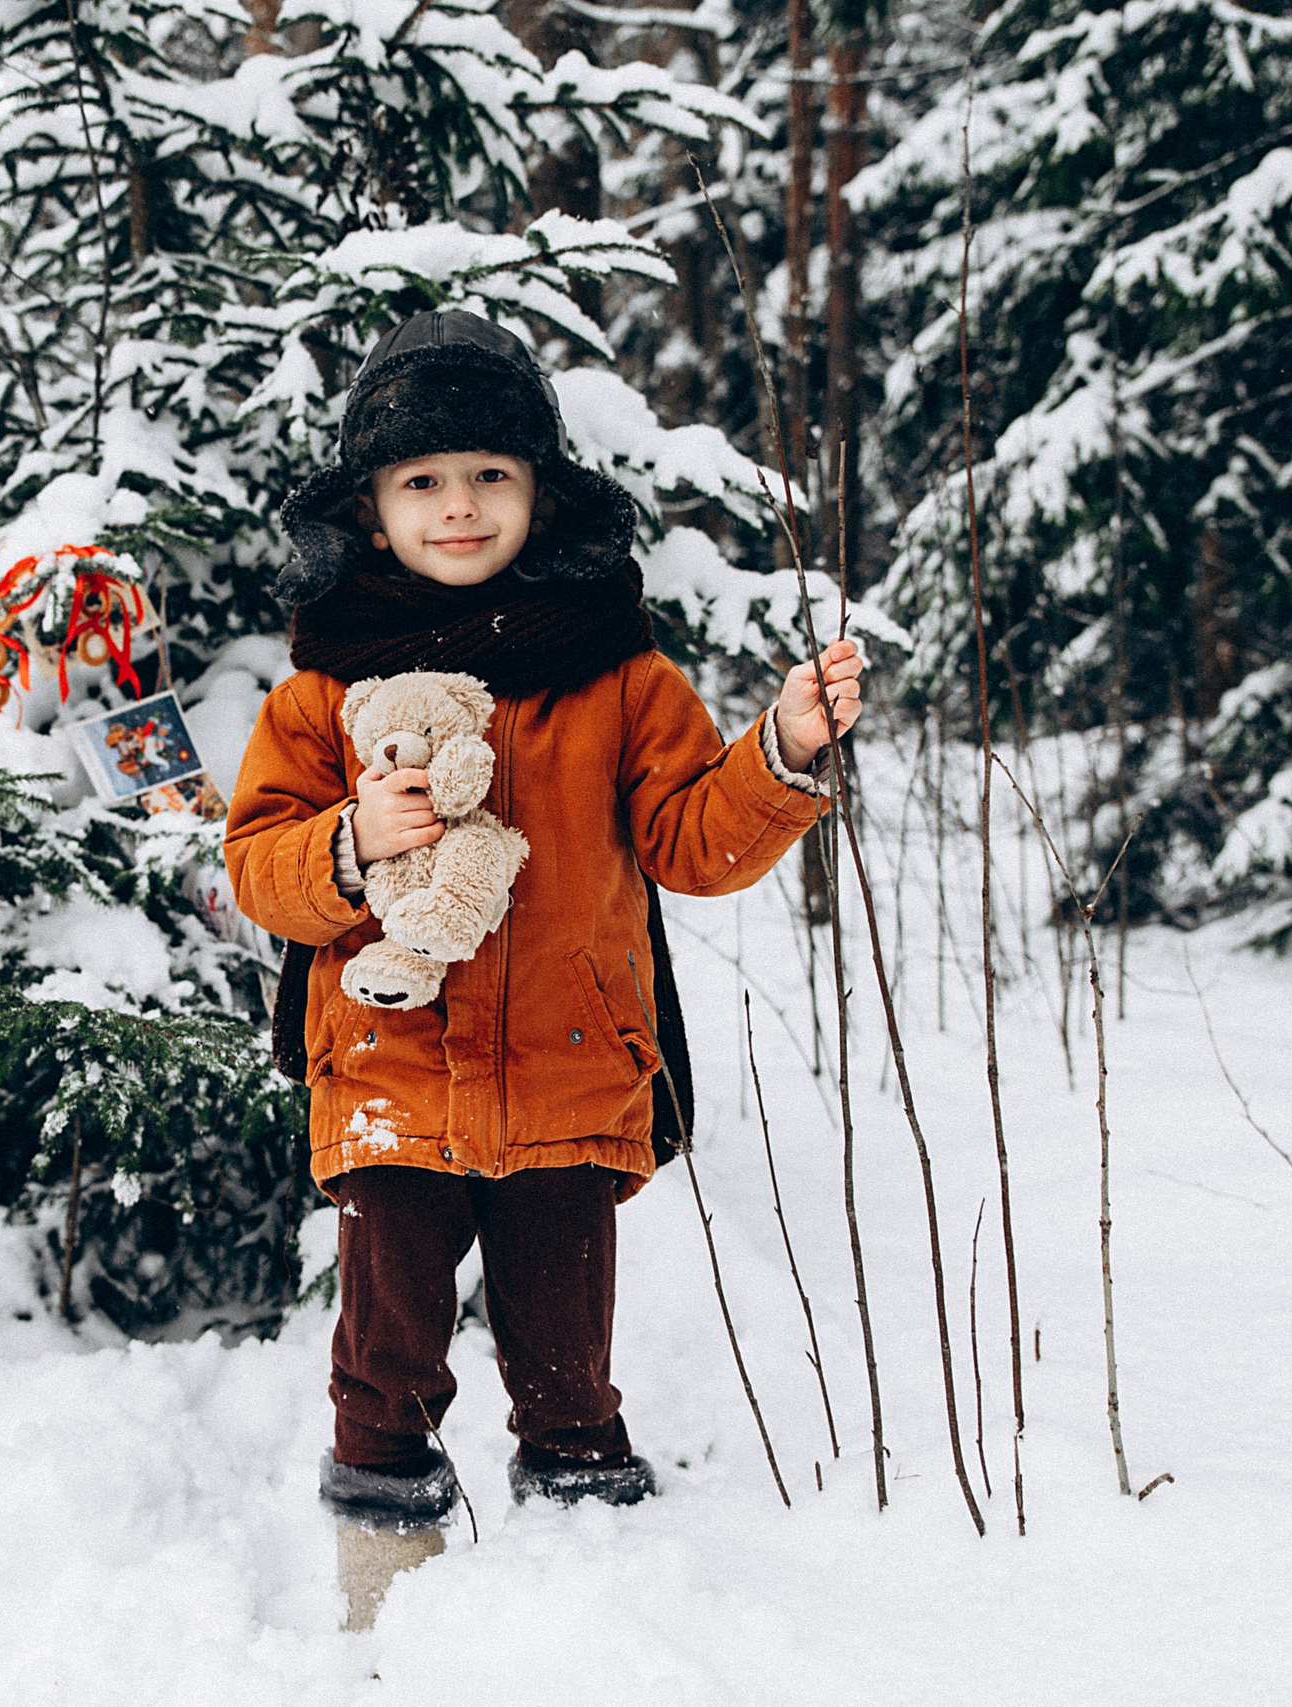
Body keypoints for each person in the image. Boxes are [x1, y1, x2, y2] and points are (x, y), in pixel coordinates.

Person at [222, 311, 863, 1629]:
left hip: (573, 1088)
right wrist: (345, 846)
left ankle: (588, 1613)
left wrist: (783, 753)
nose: (458, 508)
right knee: (383, 1371)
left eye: (490, 478)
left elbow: (693, 844)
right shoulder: (320, 693)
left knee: (570, 1381)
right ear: (374, 509)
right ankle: (380, 1605)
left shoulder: (619, 679)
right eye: (423, 483)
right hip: (391, 1087)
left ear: (539, 494)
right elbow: (257, 868)